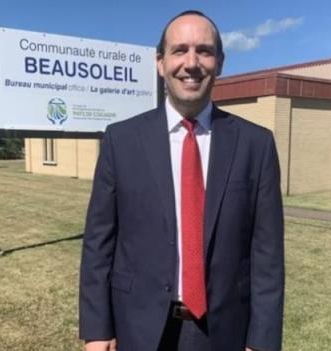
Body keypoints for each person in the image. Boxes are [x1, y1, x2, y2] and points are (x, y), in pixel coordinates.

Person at [79, 10, 284, 351]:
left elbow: (267, 256)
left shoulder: (255, 145)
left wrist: (262, 342)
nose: (191, 63)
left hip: (224, 331)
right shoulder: (121, 140)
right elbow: (99, 244)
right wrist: (98, 331)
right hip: (138, 327)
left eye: (204, 50)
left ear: (219, 62)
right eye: (179, 50)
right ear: (160, 62)